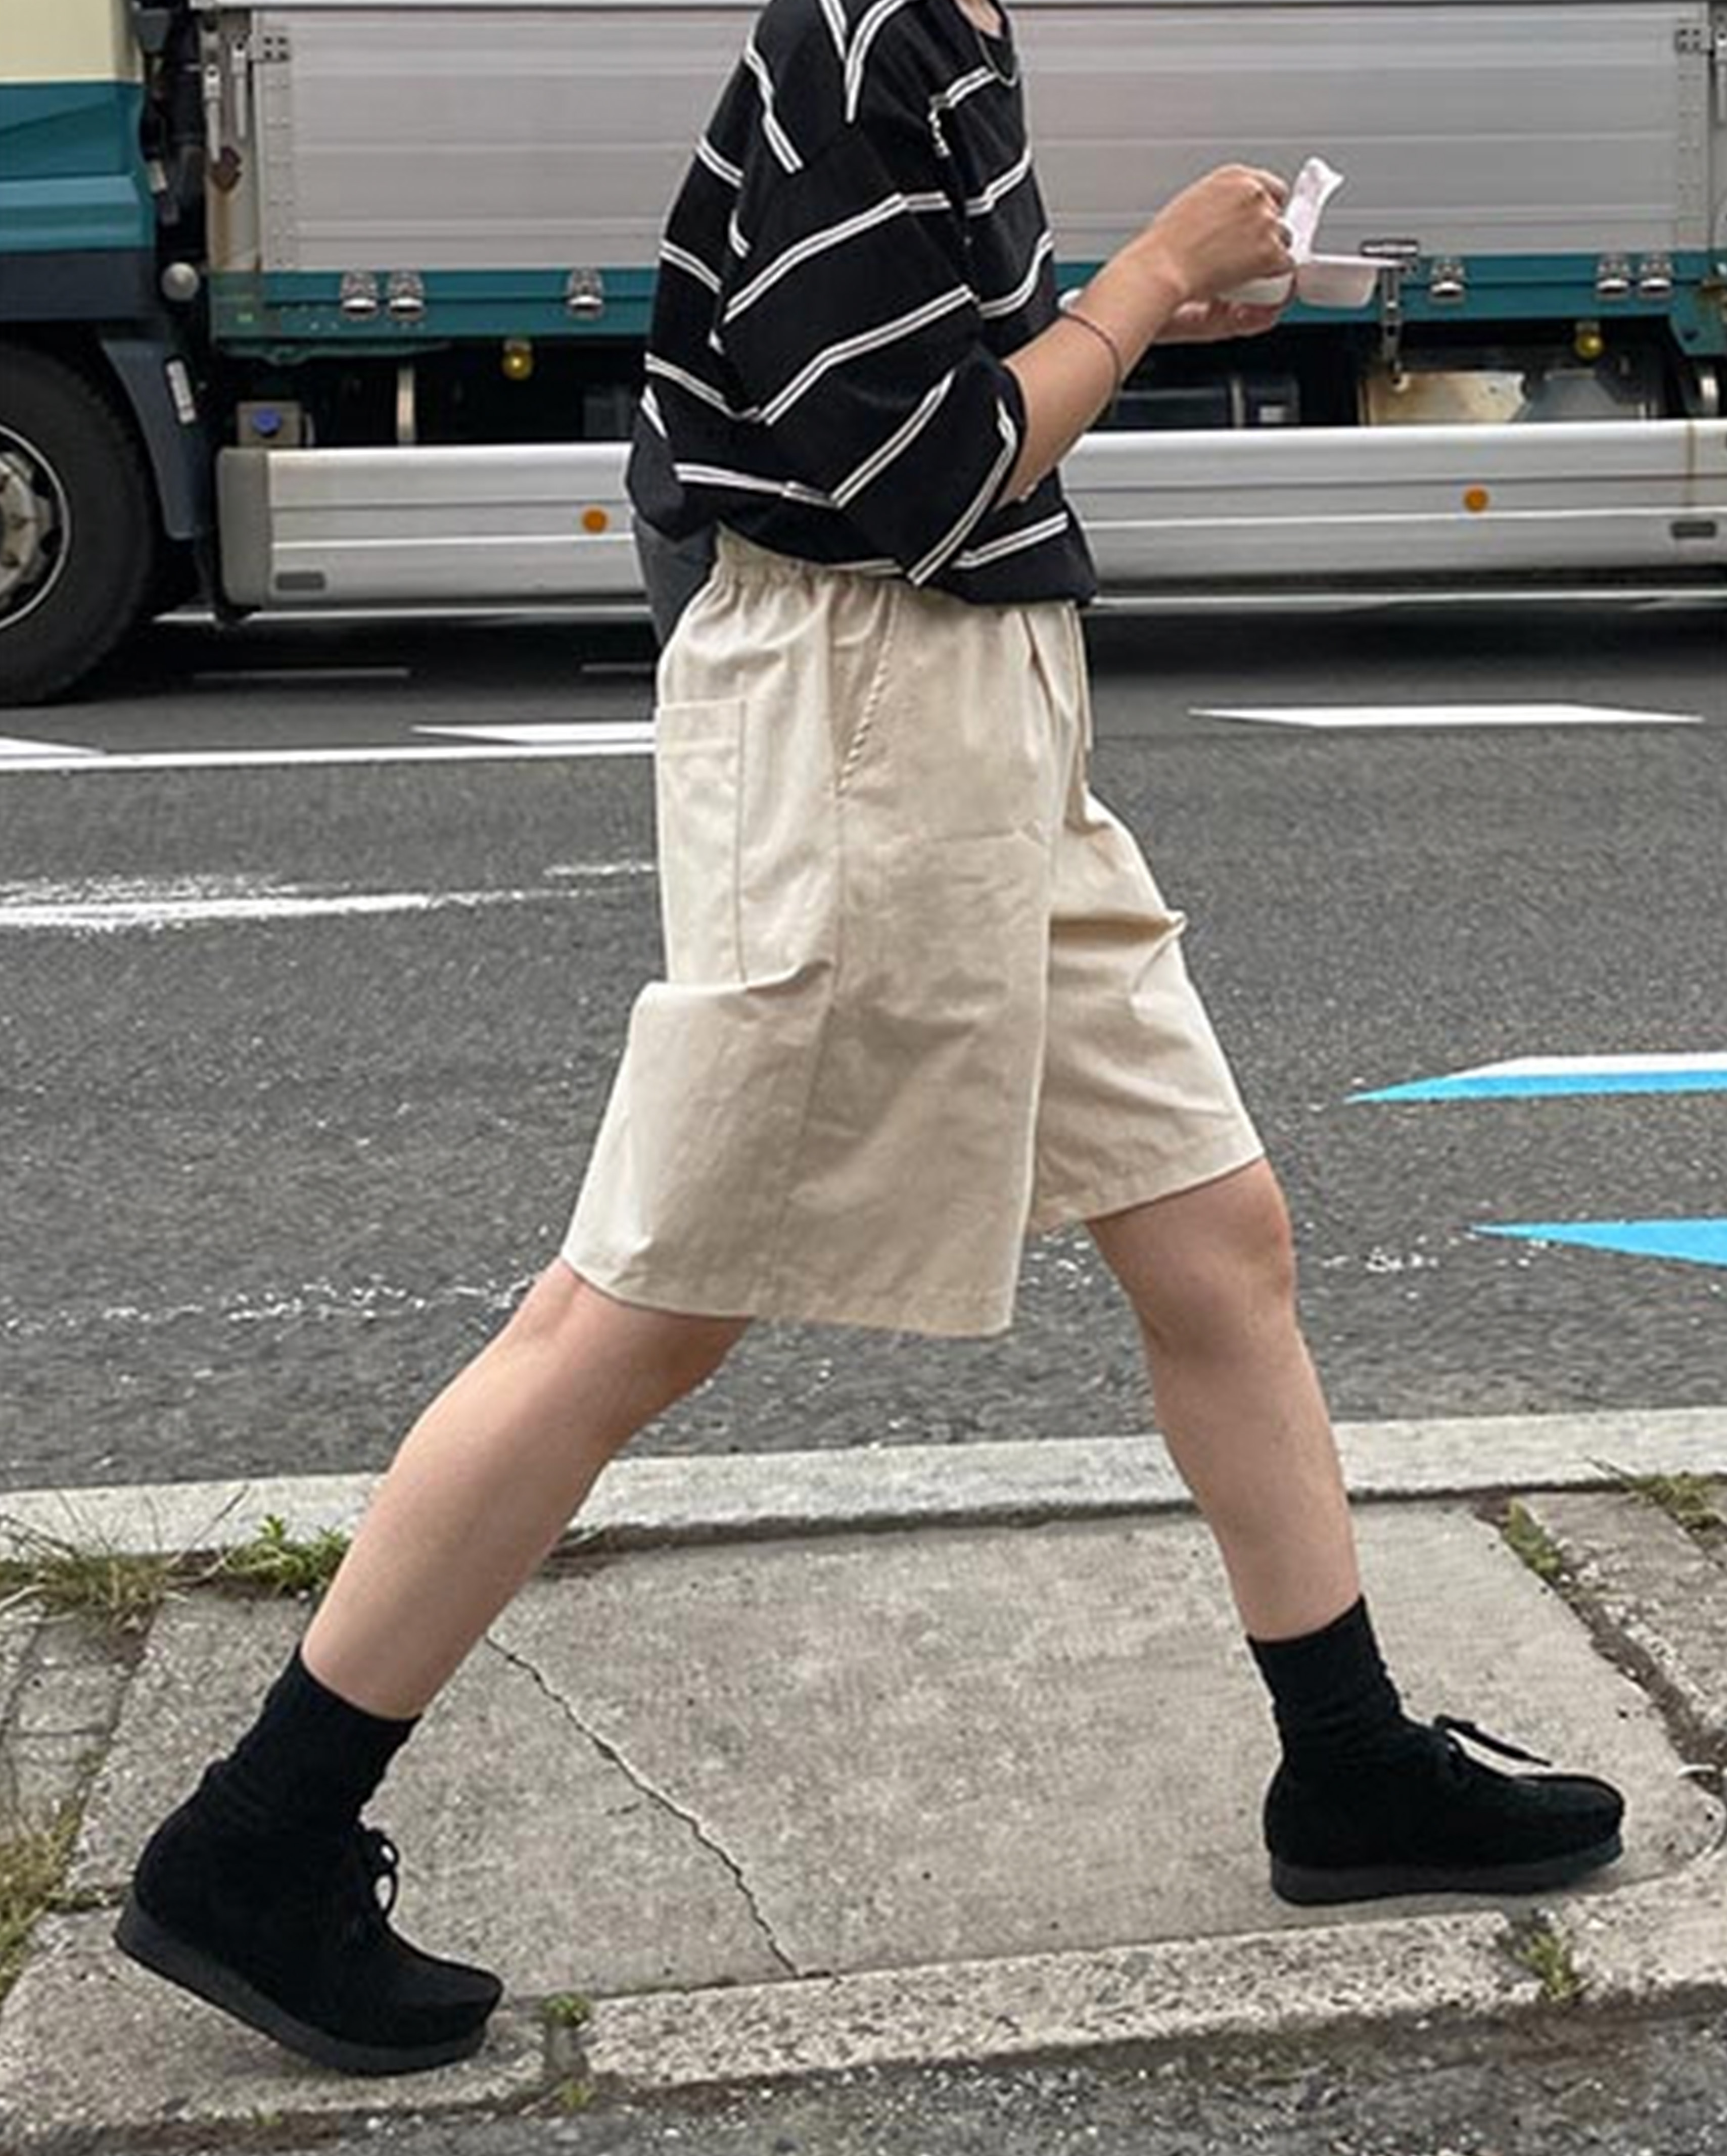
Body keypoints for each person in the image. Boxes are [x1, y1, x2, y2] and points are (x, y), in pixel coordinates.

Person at [115, 0, 1624, 2078]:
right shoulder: (864, 35)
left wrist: (1137, 313)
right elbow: (919, 475)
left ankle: (1348, 1762)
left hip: (972, 722)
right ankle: (256, 1834)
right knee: (637, 1310)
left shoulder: (937, 40)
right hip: (867, 732)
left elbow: (913, 389)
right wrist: (1140, 281)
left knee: (1217, 1235)